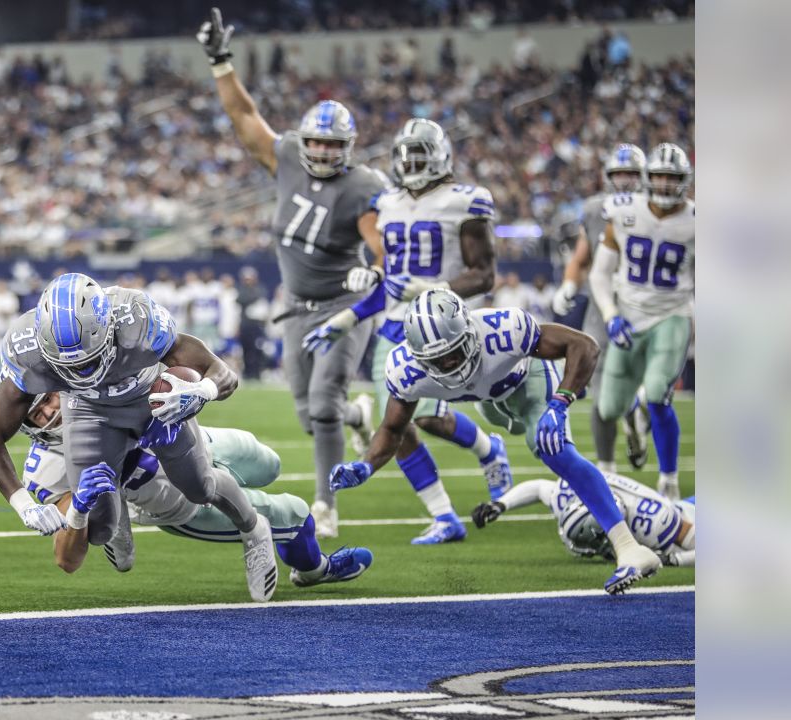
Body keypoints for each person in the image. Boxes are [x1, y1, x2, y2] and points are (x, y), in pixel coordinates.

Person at [328, 289, 663, 594]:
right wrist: (365, 465)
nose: (449, 364)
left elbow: (584, 345)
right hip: (489, 403)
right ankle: (493, 449)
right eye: (437, 360)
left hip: (525, 380)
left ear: (469, 331)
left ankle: (629, 547)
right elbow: (391, 429)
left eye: (454, 352)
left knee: (549, 445)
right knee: (468, 422)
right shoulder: (405, 369)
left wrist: (560, 402)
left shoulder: (504, 329)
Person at [0, 272, 279, 602]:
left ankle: (254, 528)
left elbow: (221, 372)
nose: (81, 372)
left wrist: (201, 391)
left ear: (108, 328)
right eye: (69, 367)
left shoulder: (135, 316)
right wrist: (22, 505)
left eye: (88, 360)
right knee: (99, 525)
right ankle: (115, 500)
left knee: (198, 486)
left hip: (150, 400)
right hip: (88, 410)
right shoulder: (27, 347)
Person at [199, 7, 388, 537]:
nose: (324, 151)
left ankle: (326, 506)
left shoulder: (362, 186)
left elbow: (382, 248)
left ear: (348, 148)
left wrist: (370, 275)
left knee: (323, 406)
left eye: (333, 144)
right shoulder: (283, 156)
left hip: (342, 306)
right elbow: (244, 118)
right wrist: (220, 62)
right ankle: (357, 415)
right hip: (296, 307)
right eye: (317, 142)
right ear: (303, 142)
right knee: (311, 415)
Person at [304, 118, 505, 545]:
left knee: (430, 417)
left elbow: (485, 275)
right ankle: (444, 516)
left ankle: (489, 450)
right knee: (399, 426)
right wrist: (347, 318)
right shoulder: (388, 203)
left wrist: (433, 288)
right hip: (395, 328)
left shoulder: (465, 201)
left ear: (441, 157)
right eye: (406, 155)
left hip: (445, 325)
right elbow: (393, 285)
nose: (412, 163)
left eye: (421, 155)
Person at [19, 392, 374, 586]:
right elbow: (66, 558)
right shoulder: (49, 467)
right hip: (177, 501)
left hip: (204, 445)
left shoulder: (95, 386)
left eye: (50, 398)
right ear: (31, 429)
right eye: (39, 414)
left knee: (271, 463)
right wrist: (81, 510)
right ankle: (314, 570)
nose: (53, 411)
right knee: (295, 515)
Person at [588, 143, 695, 502]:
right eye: (660, 177)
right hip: (628, 317)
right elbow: (600, 274)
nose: (665, 185)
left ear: (685, 181)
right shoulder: (622, 212)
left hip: (672, 314)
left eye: (672, 178)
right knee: (607, 407)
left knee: (657, 394)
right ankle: (609, 474)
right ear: (649, 179)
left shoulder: (696, 221)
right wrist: (611, 315)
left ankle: (669, 480)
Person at [552, 143, 653, 473]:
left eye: (630, 174)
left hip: (647, 308)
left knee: (650, 387)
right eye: (618, 174)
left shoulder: (660, 209)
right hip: (602, 311)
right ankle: (607, 470)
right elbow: (582, 257)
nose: (624, 180)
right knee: (600, 394)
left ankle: (637, 414)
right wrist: (569, 283)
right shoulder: (596, 208)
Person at [471, 472, 695, 568]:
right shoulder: (570, 497)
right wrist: (501, 504)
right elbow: (539, 488)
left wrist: (675, 561)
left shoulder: (654, 523)